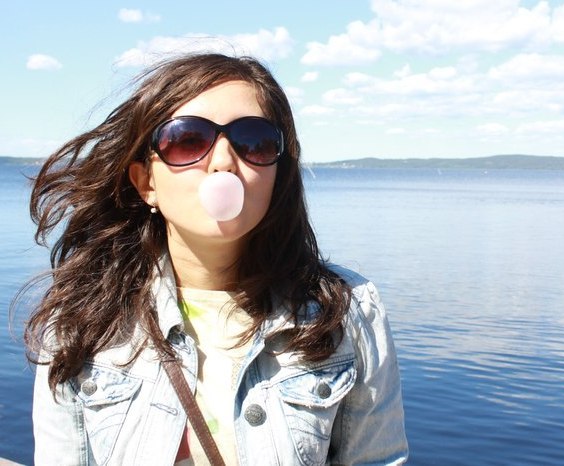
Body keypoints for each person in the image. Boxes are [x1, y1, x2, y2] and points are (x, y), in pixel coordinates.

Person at [25, 53, 408, 465]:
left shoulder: (349, 311)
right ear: (146, 182)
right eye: (188, 140)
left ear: (276, 175)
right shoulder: (80, 320)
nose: (224, 162)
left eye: (254, 142)